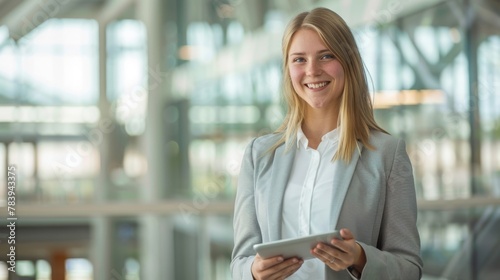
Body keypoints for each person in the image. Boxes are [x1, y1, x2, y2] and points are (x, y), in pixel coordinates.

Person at [230, 7, 423, 280]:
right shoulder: (259, 155)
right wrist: (253, 271)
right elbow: (239, 261)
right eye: (299, 59)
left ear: (348, 62)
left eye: (326, 56)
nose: (312, 70)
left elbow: (410, 269)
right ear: (287, 69)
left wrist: (360, 258)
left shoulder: (387, 155)